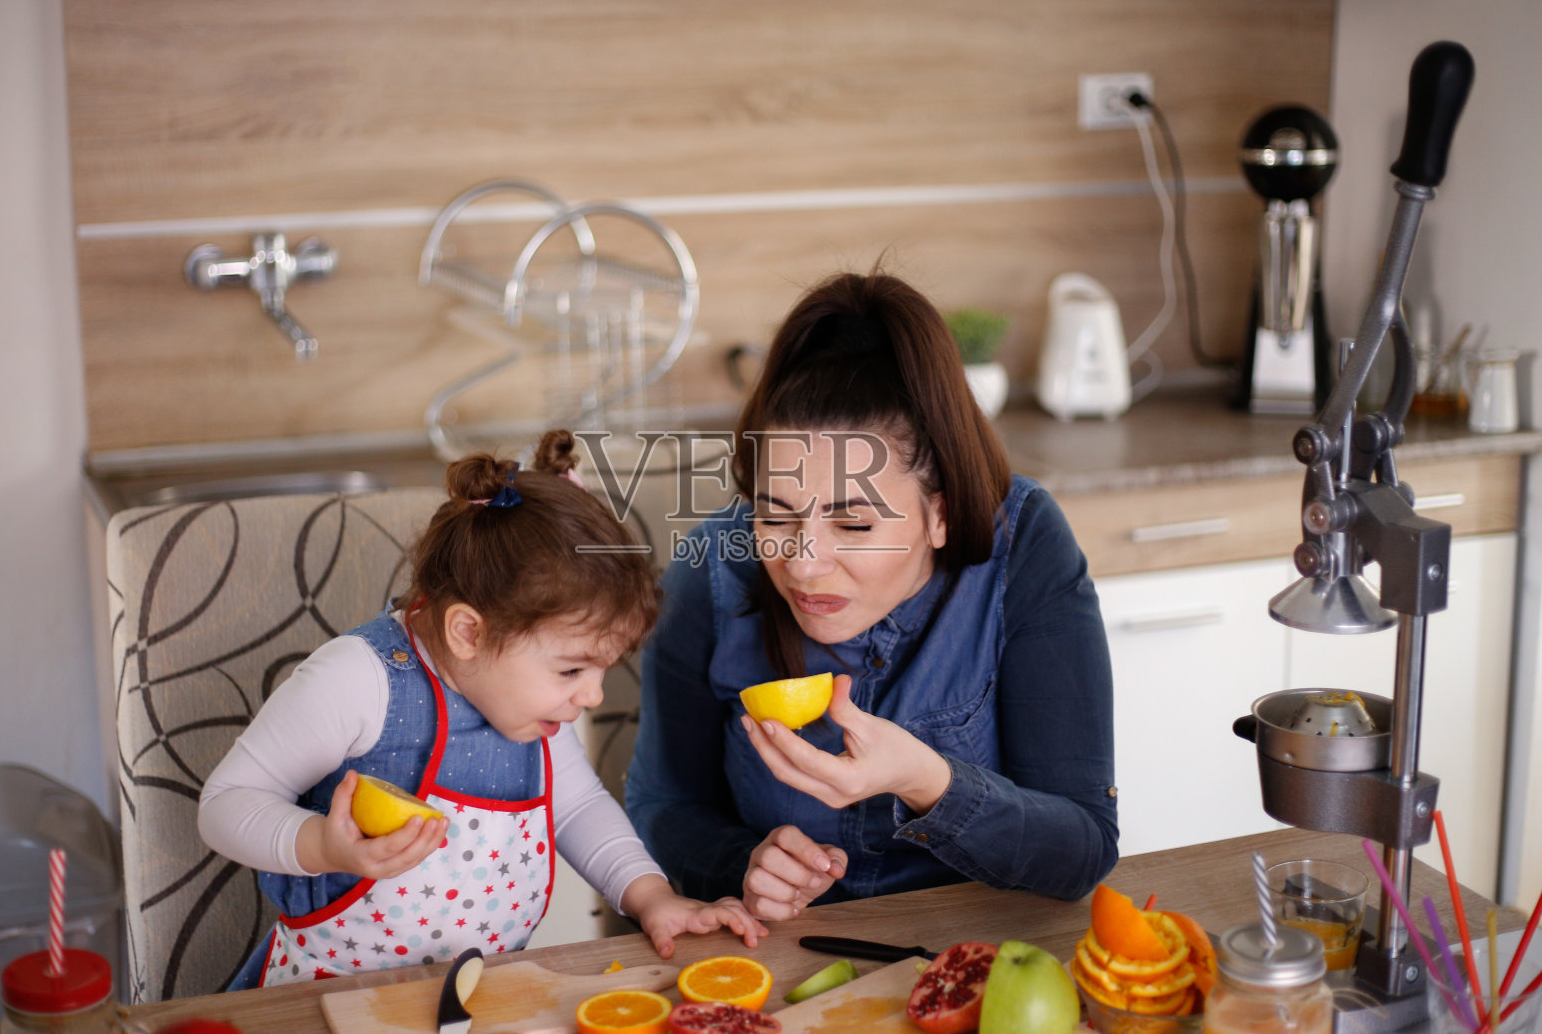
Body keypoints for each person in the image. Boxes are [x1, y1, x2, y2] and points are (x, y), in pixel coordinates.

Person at [625, 270, 1118, 922]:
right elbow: (663, 804)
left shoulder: (1023, 546)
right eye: (775, 516)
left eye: (853, 524)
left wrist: (925, 779)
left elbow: (1082, 850)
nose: (802, 563)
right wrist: (740, 861)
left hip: (981, 950)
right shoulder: (715, 567)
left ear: (939, 515)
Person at [200, 430, 763, 989]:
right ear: (468, 631)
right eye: (571, 670)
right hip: (323, 998)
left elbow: (579, 808)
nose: (591, 697)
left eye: (601, 671)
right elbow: (225, 805)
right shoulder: (359, 680)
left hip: (474, 1002)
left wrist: (652, 897)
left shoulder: (533, 710)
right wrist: (322, 844)